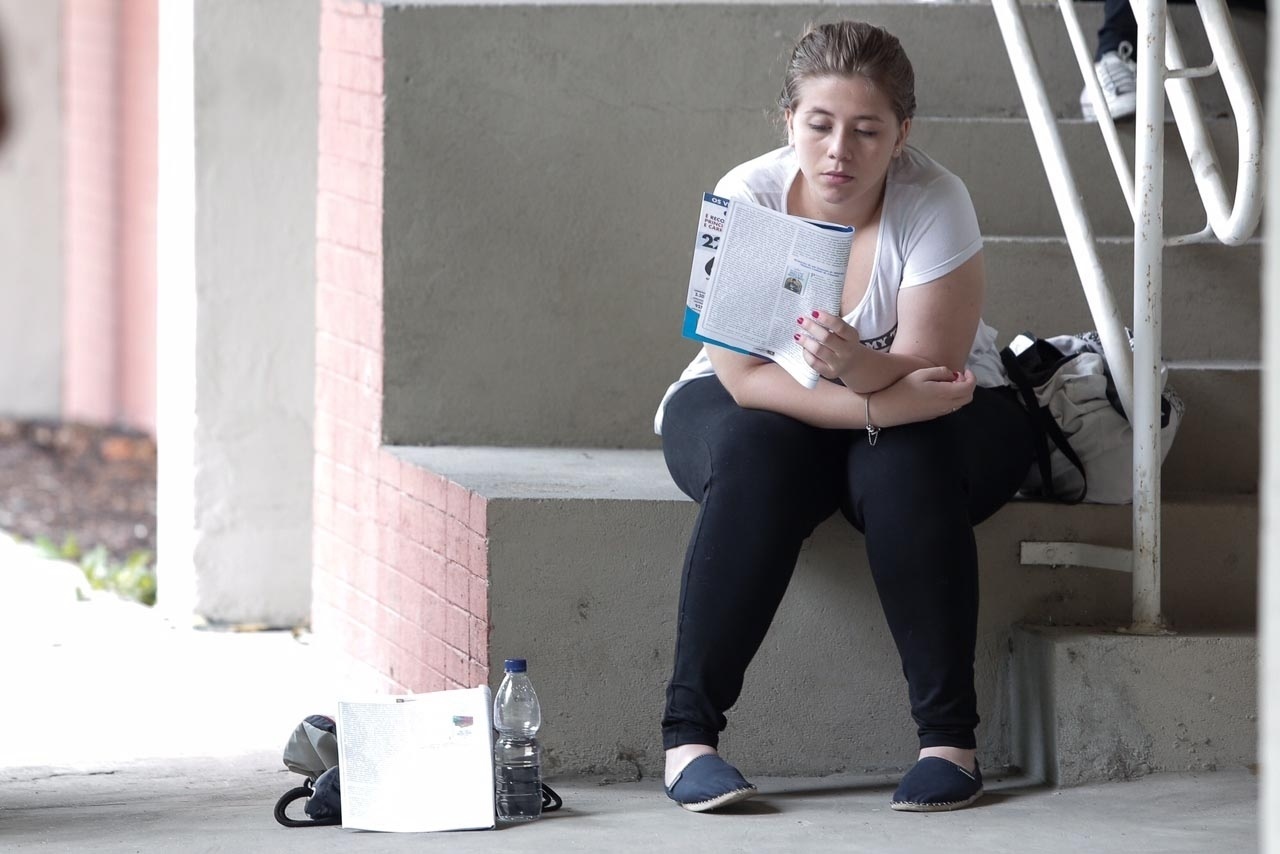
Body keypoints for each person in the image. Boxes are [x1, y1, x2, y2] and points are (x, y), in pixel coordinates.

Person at [652, 20, 1036, 814]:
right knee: (761, 453)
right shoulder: (748, 196)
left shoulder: (936, 200)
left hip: (939, 404)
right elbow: (745, 379)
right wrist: (869, 399)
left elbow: (933, 366)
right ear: (787, 120)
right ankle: (689, 743)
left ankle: (949, 747)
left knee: (904, 461)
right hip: (761, 401)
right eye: (820, 125)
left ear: (902, 133)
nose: (839, 151)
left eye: (867, 130)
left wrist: (864, 371)